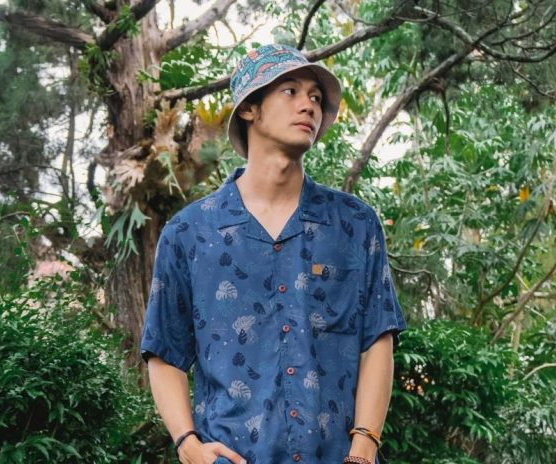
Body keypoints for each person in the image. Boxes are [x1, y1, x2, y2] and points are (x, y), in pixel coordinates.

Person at [140, 44, 406, 464]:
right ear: (250, 109)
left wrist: (363, 447)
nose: (309, 105)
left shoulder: (354, 224)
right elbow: (165, 351)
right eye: (290, 91)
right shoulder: (189, 234)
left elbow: (377, 339)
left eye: (315, 96)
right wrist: (188, 445)